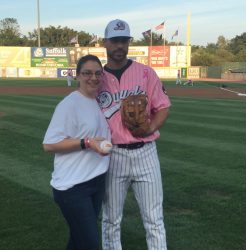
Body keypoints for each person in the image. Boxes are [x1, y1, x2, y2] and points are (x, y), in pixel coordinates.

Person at [97, 19, 171, 250]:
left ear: (128, 43)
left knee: (154, 219)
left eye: (124, 41)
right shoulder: (96, 79)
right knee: (110, 220)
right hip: (112, 155)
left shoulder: (146, 73)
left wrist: (150, 128)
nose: (119, 46)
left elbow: (163, 107)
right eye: (115, 41)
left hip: (146, 153)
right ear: (105, 43)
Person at [43, 55, 111, 250]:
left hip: (96, 181)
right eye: (87, 73)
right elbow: (49, 144)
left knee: (78, 241)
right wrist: (87, 142)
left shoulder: (101, 101)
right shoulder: (69, 104)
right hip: (72, 187)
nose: (93, 77)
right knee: (89, 244)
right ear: (78, 76)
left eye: (98, 73)